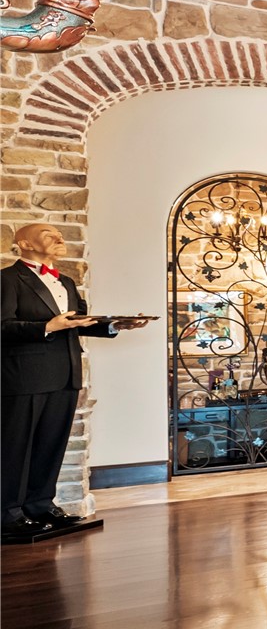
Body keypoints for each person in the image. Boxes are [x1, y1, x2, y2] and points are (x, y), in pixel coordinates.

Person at [2, 224, 151, 542]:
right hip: (24, 378)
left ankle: (40, 506)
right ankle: (8, 516)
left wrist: (116, 325)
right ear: (24, 243)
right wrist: (46, 327)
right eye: (48, 234)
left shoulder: (66, 281)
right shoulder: (7, 279)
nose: (59, 238)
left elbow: (78, 323)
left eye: (59, 233)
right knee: (15, 449)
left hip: (66, 375)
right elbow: (3, 326)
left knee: (51, 445)